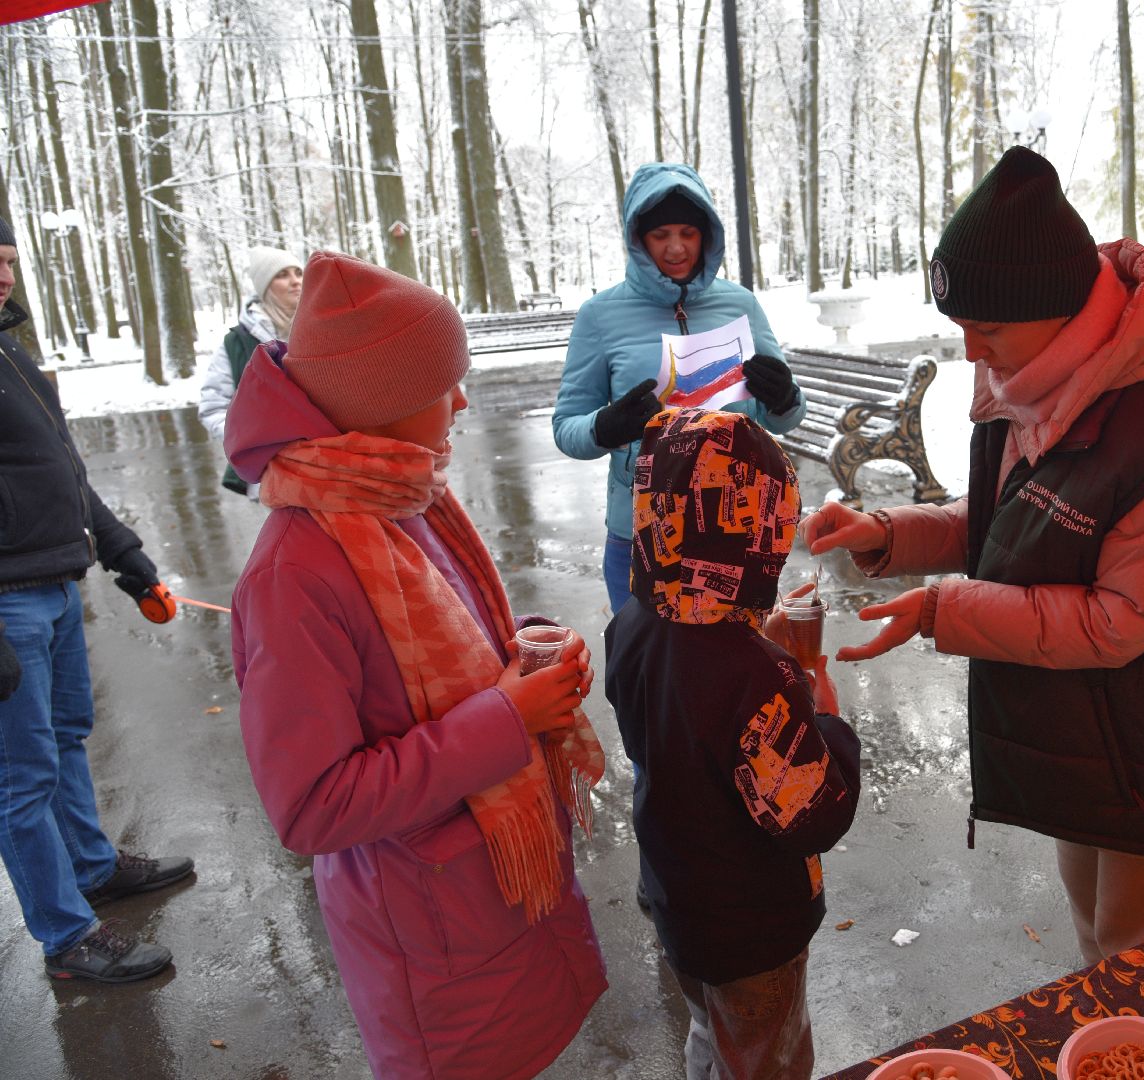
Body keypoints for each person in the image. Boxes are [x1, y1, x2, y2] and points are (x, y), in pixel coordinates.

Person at [805, 146, 1144, 968]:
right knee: (1100, 944)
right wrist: (889, 534)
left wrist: (940, 609)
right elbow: (1014, 520)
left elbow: (1117, 621)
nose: (969, 351)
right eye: (961, 326)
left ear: (1058, 307)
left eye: (986, 328)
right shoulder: (1035, 383)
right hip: (1093, 742)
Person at [226, 251, 607, 1078]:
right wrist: (510, 718)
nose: (462, 401)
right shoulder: (295, 573)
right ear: (379, 404)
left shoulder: (402, 495)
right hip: (427, 931)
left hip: (487, 906)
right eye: (443, 385)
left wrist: (529, 648)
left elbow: (454, 649)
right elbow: (313, 807)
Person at [604, 407, 860, 1080]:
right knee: (766, 1060)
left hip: (678, 903)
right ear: (759, 534)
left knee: (710, 1033)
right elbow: (815, 813)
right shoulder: (758, 678)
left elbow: (680, 703)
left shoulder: (631, 624)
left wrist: (750, 635)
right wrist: (826, 719)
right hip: (753, 934)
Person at [0, 214, 194, 983]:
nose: (4, 271)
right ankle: (67, 936)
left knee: (68, 735)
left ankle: (91, 866)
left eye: (10, 258)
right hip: (4, 605)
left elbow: (67, 473)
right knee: (20, 777)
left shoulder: (14, 355)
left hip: (54, 585)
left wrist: (128, 558)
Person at [554, 162, 809, 614]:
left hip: (734, 525)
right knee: (647, 672)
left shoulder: (740, 303)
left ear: (706, 234)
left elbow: (780, 419)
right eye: (661, 234)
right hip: (641, 531)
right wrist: (605, 427)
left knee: (734, 670)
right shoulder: (599, 315)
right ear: (638, 238)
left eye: (688, 232)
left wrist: (785, 396)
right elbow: (566, 427)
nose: (676, 248)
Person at [199, 246, 303, 496]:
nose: (295, 281)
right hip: (275, 476)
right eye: (282, 275)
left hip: (333, 467)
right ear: (265, 287)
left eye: (298, 272)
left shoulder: (323, 328)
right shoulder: (238, 342)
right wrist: (259, 445)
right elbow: (213, 407)